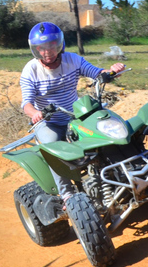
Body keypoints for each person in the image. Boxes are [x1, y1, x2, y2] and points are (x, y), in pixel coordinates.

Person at [20, 22, 125, 205]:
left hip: (74, 114)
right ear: (35, 49)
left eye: (51, 46)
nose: (47, 52)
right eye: (42, 48)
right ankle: (67, 194)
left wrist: (113, 71)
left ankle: (117, 174)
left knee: (103, 130)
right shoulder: (31, 70)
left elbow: (97, 73)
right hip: (48, 120)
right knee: (52, 145)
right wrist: (35, 113)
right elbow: (26, 103)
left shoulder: (72, 60)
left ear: (59, 44)